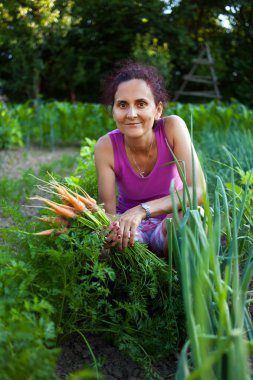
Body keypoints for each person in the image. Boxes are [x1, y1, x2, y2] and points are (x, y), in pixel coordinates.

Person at [95, 61, 206, 257]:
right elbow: (108, 212)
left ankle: (180, 276)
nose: (131, 114)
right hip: (130, 228)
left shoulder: (172, 128)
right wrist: (114, 229)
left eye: (141, 104)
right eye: (122, 105)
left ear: (158, 110)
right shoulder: (106, 146)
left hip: (169, 222)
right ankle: (138, 268)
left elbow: (197, 191)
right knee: (103, 243)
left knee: (195, 216)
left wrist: (142, 210)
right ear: (113, 110)